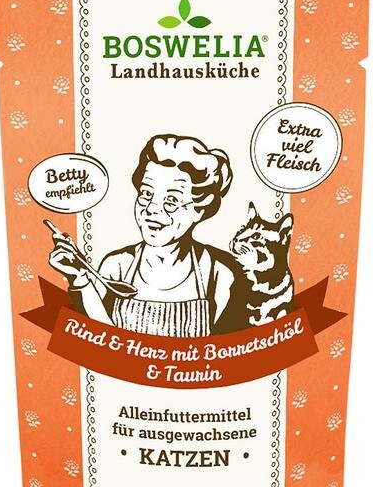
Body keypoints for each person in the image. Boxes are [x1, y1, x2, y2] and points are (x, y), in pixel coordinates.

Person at [49, 134, 247, 336]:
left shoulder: (219, 273)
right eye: (146, 194)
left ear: (199, 210)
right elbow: (100, 341)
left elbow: (227, 348)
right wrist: (79, 277)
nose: (151, 208)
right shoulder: (117, 266)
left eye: (171, 200)